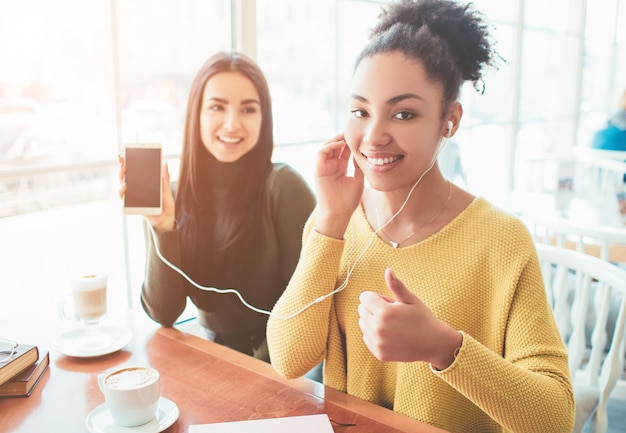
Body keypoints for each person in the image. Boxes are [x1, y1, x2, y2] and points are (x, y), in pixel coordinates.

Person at [267, 1, 575, 432]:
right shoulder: (337, 220)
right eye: (360, 111)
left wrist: (445, 349)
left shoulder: (500, 239)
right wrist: (330, 221)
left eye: (404, 113)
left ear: (449, 121)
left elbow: (556, 419)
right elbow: (287, 359)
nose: (373, 136)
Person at [119, 52, 316, 362]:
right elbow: (164, 313)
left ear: (264, 118)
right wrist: (163, 227)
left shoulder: (284, 187)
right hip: (213, 356)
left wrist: (254, 372)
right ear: (196, 114)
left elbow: (308, 308)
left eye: (248, 109)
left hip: (284, 361)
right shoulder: (173, 195)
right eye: (216, 107)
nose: (232, 124)